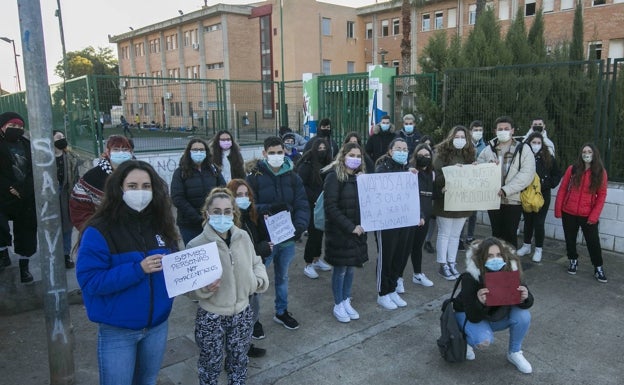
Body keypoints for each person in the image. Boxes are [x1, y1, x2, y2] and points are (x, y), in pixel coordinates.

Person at [75, 160, 179, 385]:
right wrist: (137, 269)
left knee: (147, 381)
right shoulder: (100, 230)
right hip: (118, 331)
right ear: (119, 188)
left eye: (146, 186)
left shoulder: (161, 224)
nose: (140, 192)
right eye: (132, 186)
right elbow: (90, 281)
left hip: (157, 327)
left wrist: (202, 281)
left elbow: (176, 270)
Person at [187, 188, 269, 385]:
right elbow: (190, 291)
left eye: (227, 211)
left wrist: (257, 280)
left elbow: (256, 261)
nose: (222, 215)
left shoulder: (243, 236)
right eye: (216, 211)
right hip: (211, 315)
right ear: (207, 213)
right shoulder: (196, 245)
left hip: (242, 311)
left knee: (239, 359)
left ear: (234, 213)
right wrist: (204, 289)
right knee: (211, 363)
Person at [246, 136, 309, 330]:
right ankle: (252, 319)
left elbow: (302, 203)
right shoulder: (254, 177)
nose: (276, 156)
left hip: (287, 238)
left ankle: (281, 312)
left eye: (279, 152)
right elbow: (247, 206)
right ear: (264, 154)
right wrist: (270, 208)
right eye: (271, 153)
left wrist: (300, 225)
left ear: (285, 152)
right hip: (265, 240)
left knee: (282, 277)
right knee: (257, 281)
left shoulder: (293, 176)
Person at [454, 237, 534, 374]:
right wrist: (479, 301)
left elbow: (528, 301)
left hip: (493, 314)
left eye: (498, 255)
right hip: (468, 314)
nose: (495, 259)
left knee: (523, 316)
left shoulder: (510, 269)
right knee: (483, 340)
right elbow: (473, 316)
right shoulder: (471, 276)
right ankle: (465, 338)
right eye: (490, 256)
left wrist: (525, 297)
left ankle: (514, 352)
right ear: (482, 258)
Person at [226, 178, 273, 357]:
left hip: (252, 274)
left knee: (251, 313)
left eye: (246, 194)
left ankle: (245, 346)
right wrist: (259, 249)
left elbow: (263, 239)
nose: (243, 198)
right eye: (238, 195)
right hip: (236, 279)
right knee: (235, 317)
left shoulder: (253, 215)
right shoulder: (227, 222)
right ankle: (232, 353)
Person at [323, 142, 368, 322]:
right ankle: (338, 303)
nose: (355, 159)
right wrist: (350, 227)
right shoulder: (334, 177)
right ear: (343, 156)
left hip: (358, 232)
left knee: (351, 268)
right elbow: (331, 207)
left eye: (358, 156)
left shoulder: (361, 178)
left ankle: (346, 299)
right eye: (352, 155)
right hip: (341, 232)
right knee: (340, 269)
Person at [477, 116, 535, 248]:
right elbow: (479, 168)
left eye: (506, 129)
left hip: (512, 200)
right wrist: (485, 166)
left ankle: (511, 265)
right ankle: (496, 265)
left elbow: (526, 174)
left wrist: (506, 190)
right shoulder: (488, 149)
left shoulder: (523, 149)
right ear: (495, 131)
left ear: (512, 130)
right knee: (496, 235)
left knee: (510, 235)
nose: (503, 131)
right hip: (493, 199)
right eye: (500, 129)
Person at [554, 143, 608, 282]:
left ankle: (598, 267)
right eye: (584, 151)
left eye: (589, 151)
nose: (586, 154)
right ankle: (572, 260)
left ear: (594, 154)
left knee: (593, 242)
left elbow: (601, 195)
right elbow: (563, 189)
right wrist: (558, 209)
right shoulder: (572, 169)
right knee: (570, 239)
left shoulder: (600, 172)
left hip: (588, 214)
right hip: (569, 212)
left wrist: (594, 216)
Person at [374, 138, 414, 310]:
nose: (402, 151)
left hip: (403, 220)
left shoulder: (407, 169)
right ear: (390, 151)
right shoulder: (382, 168)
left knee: (399, 255)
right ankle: (382, 293)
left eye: (405, 149)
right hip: (387, 221)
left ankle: (392, 289)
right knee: (386, 257)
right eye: (398, 148)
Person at [432, 126, 475, 280]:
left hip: (462, 201)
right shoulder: (441, 153)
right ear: (451, 137)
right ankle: (442, 264)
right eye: (457, 137)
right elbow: (436, 178)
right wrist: (452, 172)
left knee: (456, 235)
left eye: (463, 137)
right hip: (445, 200)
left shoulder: (470, 154)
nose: (460, 140)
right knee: (444, 233)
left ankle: (452, 262)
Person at [0, 112, 37, 283]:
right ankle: (3, 254)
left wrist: (23, 189)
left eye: (19, 127)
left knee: (26, 232)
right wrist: (9, 187)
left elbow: (34, 170)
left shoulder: (28, 145)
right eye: (12, 126)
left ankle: (24, 268)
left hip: (25, 195)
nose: (16, 129)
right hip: (3, 194)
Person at [70, 135, 133, 230]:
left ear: (131, 152)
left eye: (125, 149)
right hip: (103, 234)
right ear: (108, 152)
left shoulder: (140, 174)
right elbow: (78, 209)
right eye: (116, 149)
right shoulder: (92, 177)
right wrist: (93, 230)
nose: (121, 152)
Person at [516, 133, 561, 262]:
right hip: (526, 194)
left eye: (538, 143)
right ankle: (526, 246)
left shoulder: (549, 158)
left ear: (542, 144)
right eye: (533, 142)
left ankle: (539, 249)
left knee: (539, 223)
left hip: (542, 195)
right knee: (528, 221)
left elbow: (557, 175)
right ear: (528, 143)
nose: (536, 145)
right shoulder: (523, 157)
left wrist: (547, 184)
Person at [171, 139, 226, 244]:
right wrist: (198, 217)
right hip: (189, 225)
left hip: (213, 222)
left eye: (201, 149)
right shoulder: (180, 172)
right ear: (189, 152)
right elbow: (177, 198)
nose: (198, 152)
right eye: (195, 150)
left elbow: (223, 191)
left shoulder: (213, 170)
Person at [398, 143, 435, 289]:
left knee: (417, 247)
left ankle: (418, 274)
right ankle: (398, 278)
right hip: (411, 215)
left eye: (427, 155)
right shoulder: (410, 171)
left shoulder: (431, 173)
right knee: (405, 249)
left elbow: (434, 193)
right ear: (415, 156)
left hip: (425, 216)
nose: (424, 158)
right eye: (421, 155)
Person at [297, 138, 333, 279]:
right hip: (312, 204)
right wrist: (316, 197)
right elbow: (301, 186)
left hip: (325, 204)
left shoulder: (329, 164)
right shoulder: (307, 165)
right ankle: (308, 263)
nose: (322, 151)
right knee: (313, 234)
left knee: (320, 232)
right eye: (320, 148)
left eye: (325, 148)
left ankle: (317, 259)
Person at [53, 130, 82, 269]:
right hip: (50, 196)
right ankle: (53, 254)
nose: (62, 139)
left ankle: (65, 254)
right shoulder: (43, 157)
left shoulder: (70, 157)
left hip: (66, 194)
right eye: (58, 137)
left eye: (63, 137)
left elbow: (76, 178)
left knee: (66, 227)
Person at [460, 120, 487, 248]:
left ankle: (470, 236)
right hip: (465, 182)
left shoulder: (485, 146)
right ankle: (459, 238)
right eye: (475, 130)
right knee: (462, 213)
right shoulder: (464, 144)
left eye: (480, 130)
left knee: (473, 213)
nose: (478, 132)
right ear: (470, 132)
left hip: (477, 184)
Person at [420, 135, 438, 254]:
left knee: (431, 219)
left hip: (430, 199)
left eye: (430, 145)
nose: (428, 147)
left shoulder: (434, 164)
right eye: (425, 145)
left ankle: (428, 241)